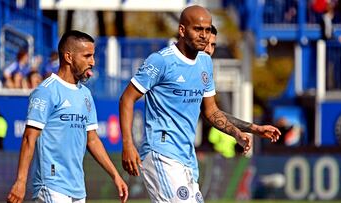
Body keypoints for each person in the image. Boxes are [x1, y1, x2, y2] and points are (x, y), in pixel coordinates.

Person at [119, 5, 281, 202]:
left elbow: (211, 111)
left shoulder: (205, 63)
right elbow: (127, 98)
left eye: (207, 29)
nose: (204, 35)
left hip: (187, 156)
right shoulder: (161, 61)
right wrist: (128, 144)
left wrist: (246, 130)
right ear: (182, 30)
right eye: (198, 29)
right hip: (161, 151)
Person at [7, 30, 128, 203]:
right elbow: (29, 138)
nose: (92, 62)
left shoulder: (86, 94)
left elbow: (92, 140)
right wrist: (21, 181)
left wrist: (115, 175)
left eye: (93, 56)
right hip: (50, 184)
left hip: (78, 187)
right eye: (87, 56)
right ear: (69, 57)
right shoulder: (46, 91)